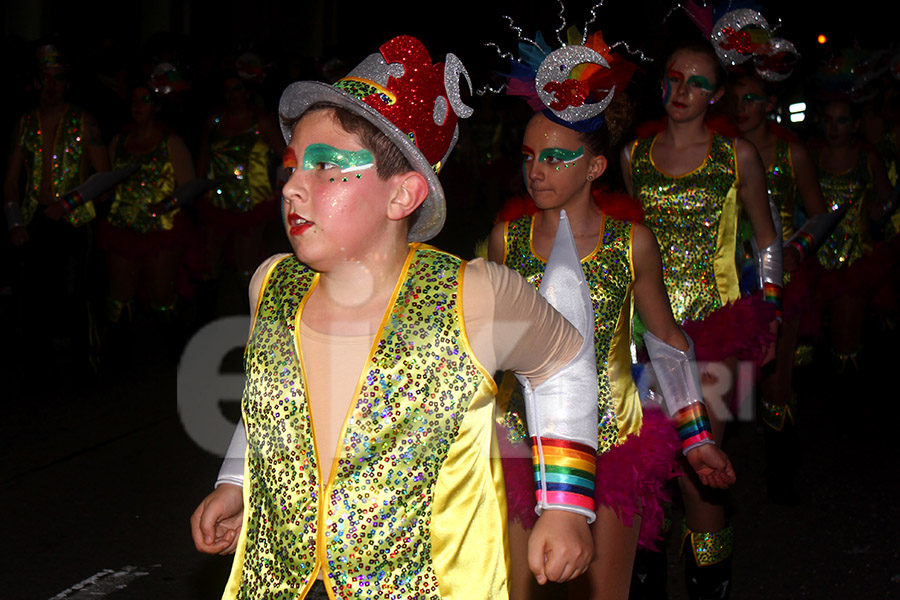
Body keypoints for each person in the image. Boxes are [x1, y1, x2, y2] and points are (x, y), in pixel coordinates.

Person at [190, 35, 601, 600]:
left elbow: (564, 360)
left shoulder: (474, 297)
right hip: (279, 579)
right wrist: (236, 481)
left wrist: (566, 504)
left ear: (402, 195)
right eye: (291, 167)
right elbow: (271, 403)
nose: (292, 187)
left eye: (326, 168)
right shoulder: (271, 283)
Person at [487, 29, 736, 600]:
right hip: (522, 444)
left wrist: (697, 439)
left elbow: (667, 341)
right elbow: (487, 346)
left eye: (556, 157)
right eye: (529, 157)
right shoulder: (507, 240)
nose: (538, 171)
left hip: (613, 444)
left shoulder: (631, 244)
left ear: (596, 166)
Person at [622, 35, 781, 599]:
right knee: (643, 474)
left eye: (697, 82)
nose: (681, 90)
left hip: (714, 333)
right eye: (673, 76)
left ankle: (709, 588)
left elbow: (766, 237)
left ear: (715, 96)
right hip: (643, 337)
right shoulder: (632, 156)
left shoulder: (736, 157)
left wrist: (771, 312)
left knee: (698, 480)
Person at [727, 69, 828, 504]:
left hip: (779, 280)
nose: (740, 109)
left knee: (775, 382)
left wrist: (798, 250)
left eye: (751, 99)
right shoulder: (719, 151)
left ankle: (781, 469)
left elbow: (820, 213)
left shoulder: (792, 154)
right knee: (723, 384)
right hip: (727, 281)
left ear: (770, 103)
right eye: (734, 100)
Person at [3, 43, 109, 374]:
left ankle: (86, 366)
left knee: (76, 293)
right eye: (44, 78)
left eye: (57, 79)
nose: (50, 86)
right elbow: (10, 179)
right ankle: (39, 366)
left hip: (74, 220)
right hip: (36, 215)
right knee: (33, 295)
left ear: (67, 84)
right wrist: (15, 222)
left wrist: (68, 204)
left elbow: (104, 175)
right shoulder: (25, 122)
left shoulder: (84, 121)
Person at [98, 82, 195, 339]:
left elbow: (189, 186)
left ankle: (176, 354)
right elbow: (105, 182)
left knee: (161, 298)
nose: (138, 107)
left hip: (159, 230)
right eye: (134, 101)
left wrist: (168, 204)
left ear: (158, 107)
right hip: (121, 226)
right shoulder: (118, 141)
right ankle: (120, 360)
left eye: (145, 101)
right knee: (118, 301)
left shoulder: (171, 142)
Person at [810, 97, 892, 371]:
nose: (833, 128)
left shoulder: (867, 159)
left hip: (854, 262)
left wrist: (880, 207)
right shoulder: (810, 155)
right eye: (828, 120)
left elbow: (886, 197)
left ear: (856, 125)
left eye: (842, 120)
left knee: (845, 348)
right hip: (812, 262)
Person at [194, 56, 285, 297]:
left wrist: (282, 187)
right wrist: (197, 187)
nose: (232, 95)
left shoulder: (261, 123)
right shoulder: (214, 121)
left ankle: (247, 318)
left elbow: (288, 156)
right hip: (216, 201)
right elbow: (204, 154)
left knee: (246, 268)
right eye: (227, 90)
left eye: (237, 89)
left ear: (247, 92)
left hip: (251, 204)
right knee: (210, 264)